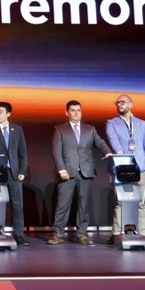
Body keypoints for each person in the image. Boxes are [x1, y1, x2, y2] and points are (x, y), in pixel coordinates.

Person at [48, 100, 109, 245]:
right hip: (67, 172)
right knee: (63, 204)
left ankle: (82, 234)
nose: (76, 113)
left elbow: (100, 142)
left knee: (83, 205)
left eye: (78, 110)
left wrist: (108, 152)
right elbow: (56, 151)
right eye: (73, 110)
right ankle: (58, 234)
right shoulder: (60, 129)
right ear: (67, 112)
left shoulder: (90, 129)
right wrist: (61, 169)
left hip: (86, 172)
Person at [105, 94, 145, 245]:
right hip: (121, 167)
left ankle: (144, 233)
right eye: (117, 103)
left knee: (140, 202)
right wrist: (121, 154)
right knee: (120, 202)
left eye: (122, 102)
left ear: (130, 104)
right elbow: (113, 139)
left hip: (140, 167)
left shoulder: (141, 123)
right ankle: (116, 233)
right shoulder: (112, 122)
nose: (119, 105)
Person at [0, 101, 30, 246]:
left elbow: (23, 152)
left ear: (8, 114)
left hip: (14, 172)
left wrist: (23, 170)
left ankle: (18, 235)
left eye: (0, 111)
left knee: (17, 204)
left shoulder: (17, 129)